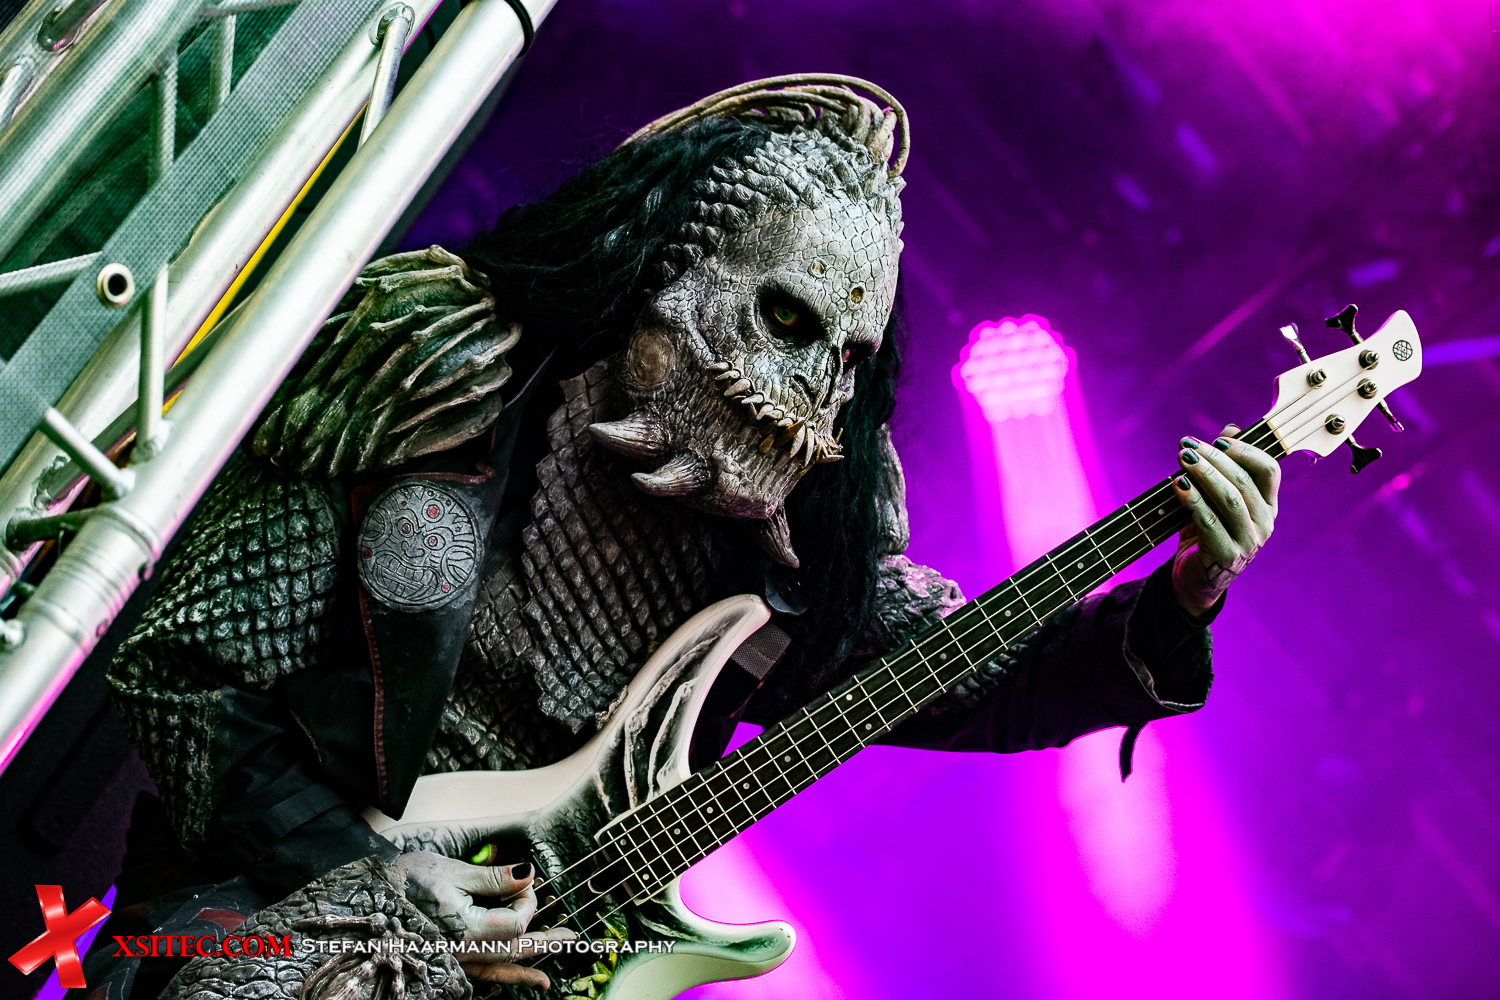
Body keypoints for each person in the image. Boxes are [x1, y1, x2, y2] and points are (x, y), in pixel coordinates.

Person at [90, 75, 1278, 999]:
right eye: (785, 319)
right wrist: (368, 881)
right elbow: (181, 670)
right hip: (262, 914)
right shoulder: (448, 378)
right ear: (668, 265)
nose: (811, 392)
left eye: (847, 363)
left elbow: (985, 675)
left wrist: (1182, 596)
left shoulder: (786, 564)